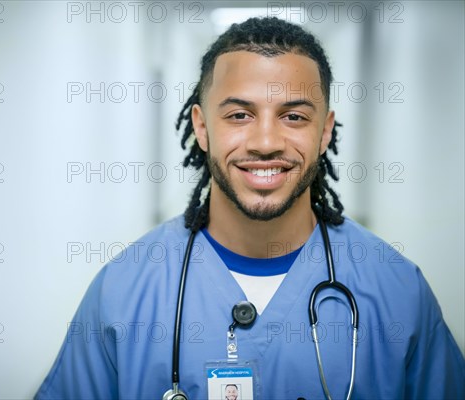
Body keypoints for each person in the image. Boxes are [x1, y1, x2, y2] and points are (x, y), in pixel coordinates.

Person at [35, 17, 465, 399]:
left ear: (325, 132)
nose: (265, 142)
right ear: (202, 128)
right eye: (239, 115)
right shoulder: (123, 291)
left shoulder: (398, 291)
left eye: (293, 117)